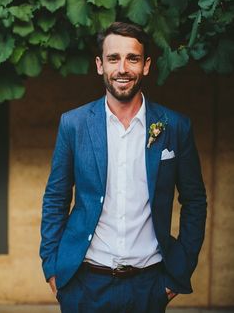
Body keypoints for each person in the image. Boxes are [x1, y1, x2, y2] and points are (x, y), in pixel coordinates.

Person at [40, 22, 207, 313]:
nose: (122, 68)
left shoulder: (176, 127)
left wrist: (178, 270)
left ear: (146, 66)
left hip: (149, 286)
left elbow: (194, 201)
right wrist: (53, 267)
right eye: (113, 58)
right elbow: (56, 198)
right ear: (99, 65)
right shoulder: (74, 124)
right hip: (84, 285)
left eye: (132, 58)